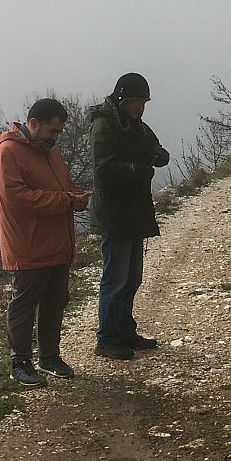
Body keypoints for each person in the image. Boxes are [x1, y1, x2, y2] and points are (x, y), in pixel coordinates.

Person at [0, 98, 89, 387]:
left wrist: (75, 197)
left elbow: (62, 187)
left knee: (55, 302)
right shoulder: (8, 152)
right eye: (52, 130)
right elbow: (17, 198)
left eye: (58, 132)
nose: (55, 137)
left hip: (56, 243)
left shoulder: (51, 152)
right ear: (33, 123)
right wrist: (65, 201)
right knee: (24, 305)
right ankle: (20, 362)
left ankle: (49, 357)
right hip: (28, 245)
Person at [89, 72, 170, 360]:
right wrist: (140, 170)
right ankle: (106, 338)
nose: (141, 108)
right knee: (115, 279)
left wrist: (159, 154)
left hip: (134, 213)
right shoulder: (103, 126)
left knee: (132, 278)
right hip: (114, 214)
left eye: (144, 103)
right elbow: (104, 171)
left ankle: (124, 330)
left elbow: (153, 145)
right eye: (138, 102)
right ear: (123, 99)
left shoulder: (136, 125)